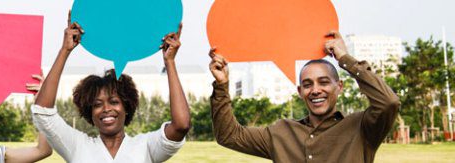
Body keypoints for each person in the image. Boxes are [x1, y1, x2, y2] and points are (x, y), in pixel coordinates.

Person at [207, 31, 400, 162]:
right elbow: (229, 136)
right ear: (300, 92)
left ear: (339, 87)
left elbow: (388, 102)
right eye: (307, 85)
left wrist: (344, 59)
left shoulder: (362, 128)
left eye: (324, 82)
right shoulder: (280, 133)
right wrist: (221, 85)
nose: (315, 90)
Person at [30, 12, 190, 162]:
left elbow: (181, 126)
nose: (106, 108)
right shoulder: (77, 146)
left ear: (126, 106)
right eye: (97, 104)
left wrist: (169, 62)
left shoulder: (146, 146)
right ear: (89, 112)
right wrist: (65, 50)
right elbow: (43, 113)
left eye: (114, 101)